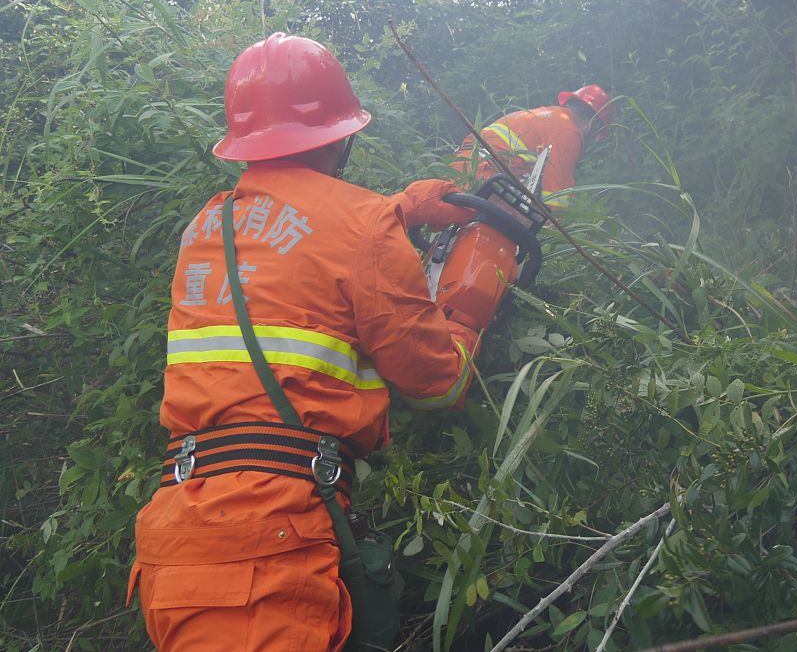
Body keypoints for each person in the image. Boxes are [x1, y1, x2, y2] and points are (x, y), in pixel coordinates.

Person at [127, 33, 483, 650]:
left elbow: (289, 247)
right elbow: (439, 384)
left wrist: (399, 210)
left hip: (178, 531)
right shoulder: (363, 224)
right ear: (343, 135)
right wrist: (467, 318)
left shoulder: (205, 226)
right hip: (268, 542)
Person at [450, 85, 613, 207]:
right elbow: (556, 198)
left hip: (463, 169)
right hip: (483, 177)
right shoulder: (569, 132)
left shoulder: (549, 116)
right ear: (593, 125)